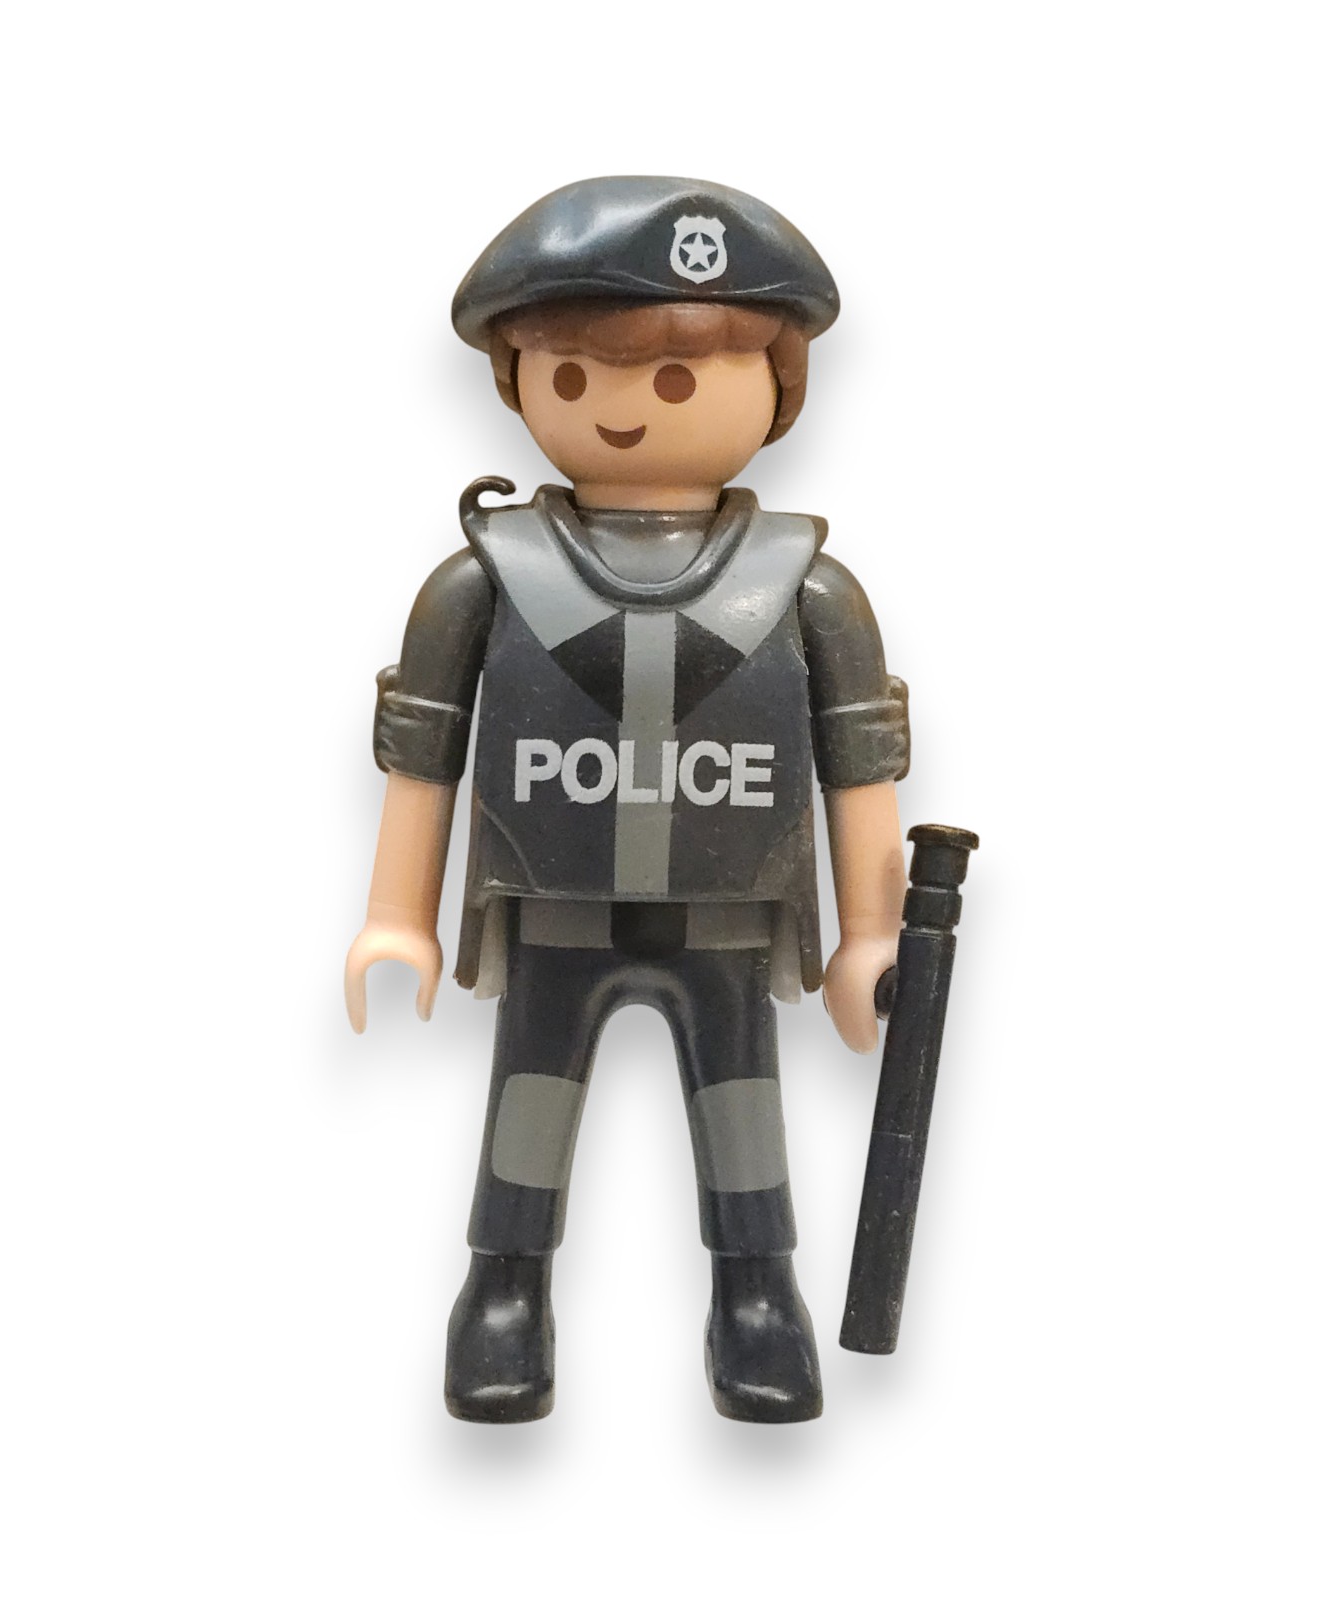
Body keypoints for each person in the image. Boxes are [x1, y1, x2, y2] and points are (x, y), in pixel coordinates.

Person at [344, 176, 910, 1423]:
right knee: (531, 1096)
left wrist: (873, 934)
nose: (621, 410)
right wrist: (397, 915)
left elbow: (857, 761)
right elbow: (424, 752)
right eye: (572, 373)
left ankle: (757, 1293)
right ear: (518, 381)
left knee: (742, 1105)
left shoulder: (806, 591)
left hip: (727, 914)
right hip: (553, 908)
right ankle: (504, 1287)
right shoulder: (483, 580)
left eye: (673, 379)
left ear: (777, 389)